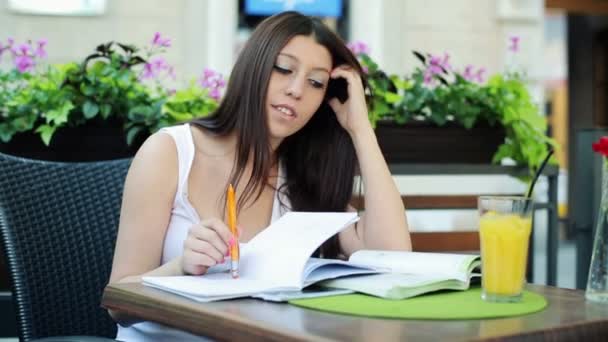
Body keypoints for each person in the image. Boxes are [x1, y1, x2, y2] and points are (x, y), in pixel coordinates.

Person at [108, 11, 411, 341]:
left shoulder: (302, 179)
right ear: (254, 67)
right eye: (284, 68)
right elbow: (118, 304)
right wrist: (181, 267)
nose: (297, 90)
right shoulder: (170, 152)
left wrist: (360, 129)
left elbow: (392, 260)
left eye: (316, 83)